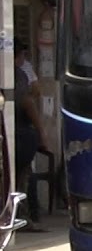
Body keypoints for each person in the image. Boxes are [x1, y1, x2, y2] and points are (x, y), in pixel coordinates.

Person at [13, 40, 48, 232]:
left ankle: (24, 216)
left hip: (18, 136)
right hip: (19, 137)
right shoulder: (17, 74)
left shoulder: (20, 73)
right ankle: (24, 217)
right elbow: (29, 102)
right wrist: (42, 134)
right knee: (23, 178)